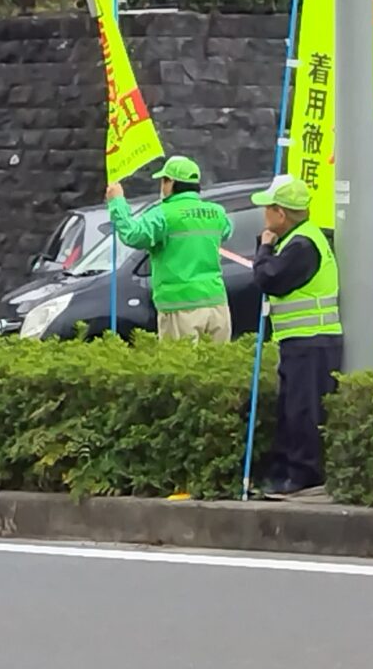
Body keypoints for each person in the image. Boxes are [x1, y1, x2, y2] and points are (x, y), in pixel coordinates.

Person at [250, 175, 343, 497]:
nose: (264, 214)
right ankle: (285, 472)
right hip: (301, 341)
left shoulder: (303, 244)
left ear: (281, 213)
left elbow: (269, 278)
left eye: (268, 208)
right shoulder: (298, 240)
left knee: (304, 412)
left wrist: (264, 248)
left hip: (312, 340)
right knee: (291, 410)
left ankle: (304, 475)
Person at [105, 155, 232, 343]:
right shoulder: (217, 212)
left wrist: (117, 202)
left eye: (163, 181)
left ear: (170, 182)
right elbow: (227, 231)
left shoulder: (163, 214)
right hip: (216, 303)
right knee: (220, 360)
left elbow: (133, 235)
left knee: (179, 361)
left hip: (179, 305)